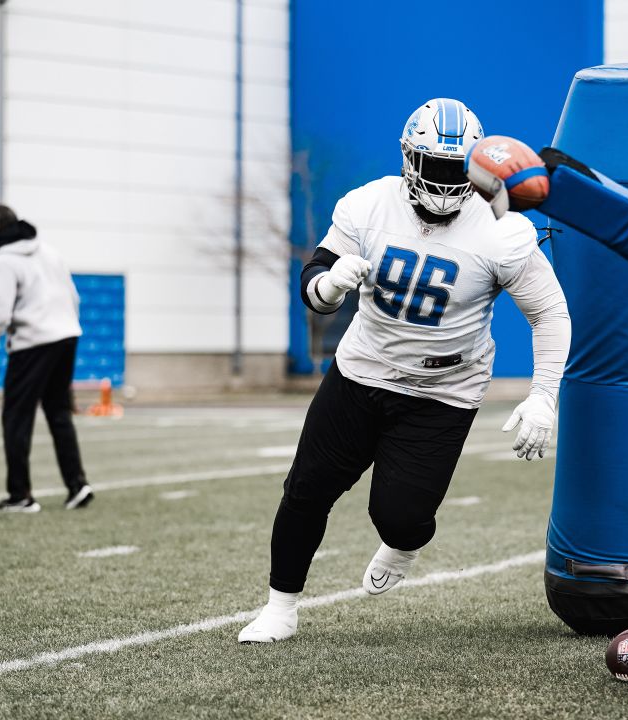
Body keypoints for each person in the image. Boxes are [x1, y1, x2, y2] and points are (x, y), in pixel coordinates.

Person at [237, 98, 571, 643]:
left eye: (454, 169)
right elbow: (314, 281)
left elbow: (550, 314)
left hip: (443, 391)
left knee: (401, 516)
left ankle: (402, 543)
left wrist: (543, 395)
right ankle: (280, 608)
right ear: (408, 159)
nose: (443, 183)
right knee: (306, 490)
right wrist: (329, 285)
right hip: (362, 373)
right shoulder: (368, 205)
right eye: (433, 167)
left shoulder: (500, 227)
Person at [0, 204, 94, 513]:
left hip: (33, 343)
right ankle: (77, 485)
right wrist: (66, 328)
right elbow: (73, 297)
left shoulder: (2, 261)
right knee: (59, 413)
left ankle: (20, 495)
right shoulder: (48, 251)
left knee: (16, 418)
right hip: (66, 336)